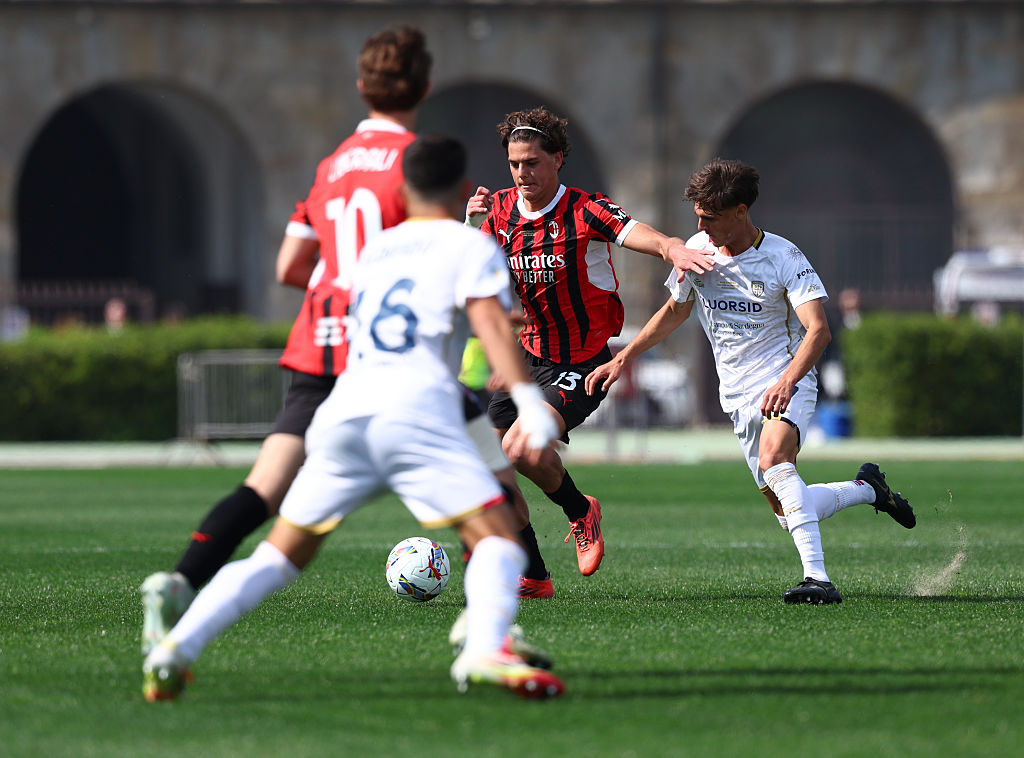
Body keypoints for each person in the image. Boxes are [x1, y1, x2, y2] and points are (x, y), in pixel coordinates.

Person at [142, 136, 565, 701]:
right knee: (500, 542)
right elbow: (490, 322)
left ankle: (175, 649)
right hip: (416, 411)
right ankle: (485, 649)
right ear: (463, 190)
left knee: (278, 555)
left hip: (344, 410)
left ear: (402, 192)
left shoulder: (375, 251)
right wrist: (530, 403)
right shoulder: (468, 244)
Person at [139, 26, 433, 654]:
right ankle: (496, 625)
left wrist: (339, 285)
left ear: (362, 86)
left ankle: (181, 579)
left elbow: (288, 267)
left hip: (318, 342)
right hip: (383, 350)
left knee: (264, 487)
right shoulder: (417, 161)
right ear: (425, 86)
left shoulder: (332, 166)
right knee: (476, 476)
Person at [585, 158, 916, 604]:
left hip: (786, 379)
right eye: (698, 216)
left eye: (710, 217)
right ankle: (868, 489)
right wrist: (624, 356)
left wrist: (787, 381)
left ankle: (818, 579)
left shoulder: (784, 256)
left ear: (741, 211)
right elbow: (677, 311)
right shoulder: (697, 250)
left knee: (776, 459)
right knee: (788, 510)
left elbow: (818, 331)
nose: (700, 226)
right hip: (737, 395)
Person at [465, 107, 716, 596]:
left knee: (521, 448)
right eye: (514, 164)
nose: (522, 173)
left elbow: (639, 233)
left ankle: (580, 510)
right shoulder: (498, 211)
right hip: (528, 358)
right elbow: (466, 274)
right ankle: (534, 574)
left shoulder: (586, 209)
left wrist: (672, 248)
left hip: (583, 361)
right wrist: (470, 223)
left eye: (532, 162)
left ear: (558, 159)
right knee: (486, 466)